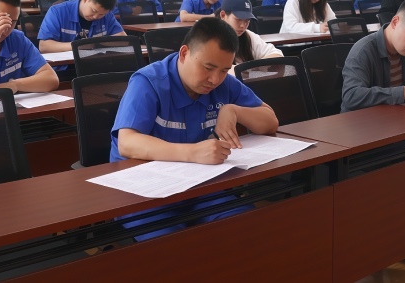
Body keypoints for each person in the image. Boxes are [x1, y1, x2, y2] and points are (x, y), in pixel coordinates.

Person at [109, 18, 278, 239]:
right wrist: (193, 153)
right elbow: (127, 142)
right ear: (184, 53)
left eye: (224, 70)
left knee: (246, 230)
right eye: (208, 68)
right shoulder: (148, 82)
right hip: (143, 192)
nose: (215, 79)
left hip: (199, 186)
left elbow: (270, 121)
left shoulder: (224, 83)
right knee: (174, 250)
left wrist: (234, 110)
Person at [38, 0, 124, 53]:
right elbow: (44, 46)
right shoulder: (57, 12)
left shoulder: (107, 15)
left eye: (101, 14)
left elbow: (122, 38)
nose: (95, 17)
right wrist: (79, 45)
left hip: (96, 63)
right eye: (93, 10)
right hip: (65, 66)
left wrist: (97, 44)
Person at [217, 0, 284, 64]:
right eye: (238, 19)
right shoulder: (212, 39)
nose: (242, 26)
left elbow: (277, 54)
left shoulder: (248, 36)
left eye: (247, 21)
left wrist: (254, 67)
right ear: (223, 15)